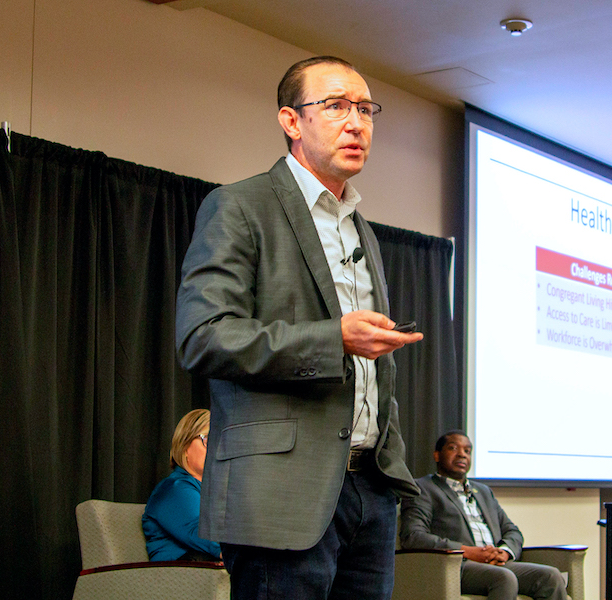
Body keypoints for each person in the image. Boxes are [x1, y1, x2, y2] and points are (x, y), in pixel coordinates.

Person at [175, 55, 424, 600]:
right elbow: (203, 335)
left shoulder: (362, 227)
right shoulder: (240, 207)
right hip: (282, 492)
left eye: (365, 109)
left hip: (370, 489)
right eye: (335, 106)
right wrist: (333, 338)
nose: (356, 122)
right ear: (292, 120)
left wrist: (390, 466)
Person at [400, 431, 567, 600]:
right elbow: (413, 536)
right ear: (437, 455)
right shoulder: (423, 488)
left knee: (551, 577)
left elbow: (512, 531)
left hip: (495, 564)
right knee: (504, 578)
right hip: (456, 566)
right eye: (453, 448)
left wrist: (504, 552)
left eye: (467, 451)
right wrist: (467, 552)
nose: (461, 454)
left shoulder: (484, 492)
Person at [142, 408, 221, 562]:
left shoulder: (215, 491)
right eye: (208, 439)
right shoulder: (174, 489)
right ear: (185, 447)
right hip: (178, 575)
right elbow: (203, 535)